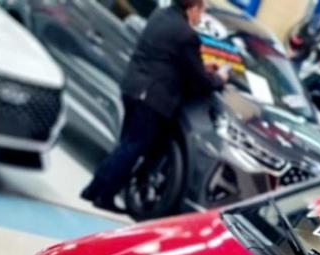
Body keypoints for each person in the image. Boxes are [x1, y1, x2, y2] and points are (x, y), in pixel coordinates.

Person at [81, 0, 226, 212]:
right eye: (201, 11)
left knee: (126, 145)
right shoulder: (187, 35)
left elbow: (169, 56)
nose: (201, 17)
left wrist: (202, 66)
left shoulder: (161, 15)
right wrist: (219, 79)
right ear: (193, 9)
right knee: (132, 148)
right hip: (151, 98)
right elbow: (199, 79)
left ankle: (93, 189)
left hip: (133, 88)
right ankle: (105, 196)